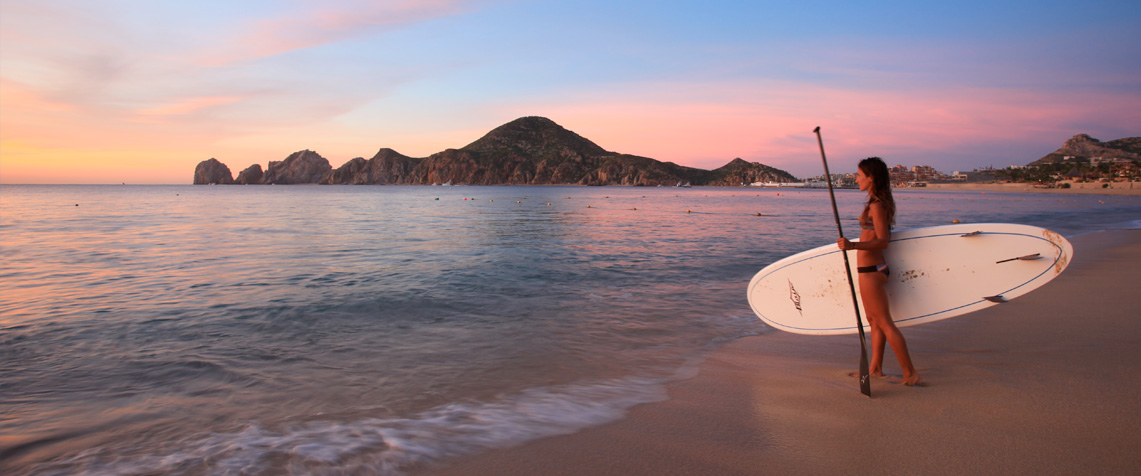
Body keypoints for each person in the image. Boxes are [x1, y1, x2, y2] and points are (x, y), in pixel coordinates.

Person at [837, 157, 920, 386]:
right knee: (873, 320)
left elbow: (883, 241)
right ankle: (875, 368)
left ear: (870, 177)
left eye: (859, 175)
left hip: (872, 270)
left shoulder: (877, 205)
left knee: (883, 321)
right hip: (869, 269)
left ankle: (909, 372)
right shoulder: (875, 202)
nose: (856, 179)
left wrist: (853, 245)